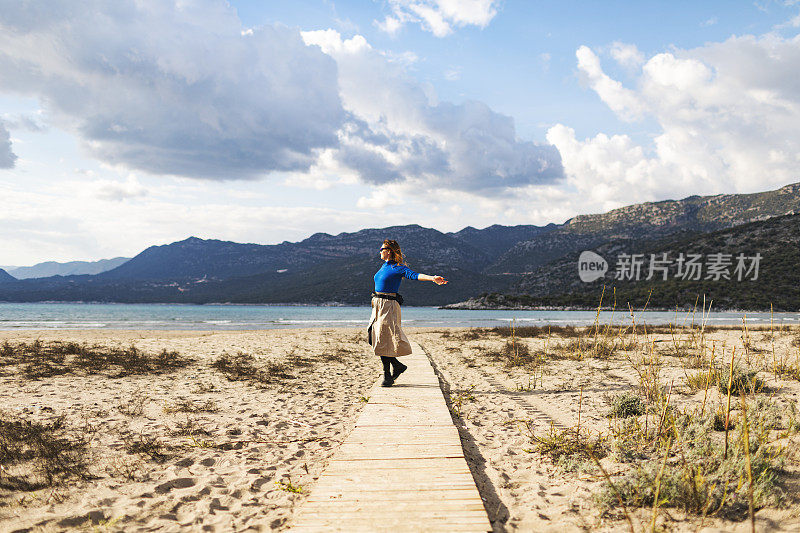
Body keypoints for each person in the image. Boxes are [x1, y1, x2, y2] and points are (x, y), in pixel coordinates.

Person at [368, 239, 448, 387]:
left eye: (382, 249)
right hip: (377, 305)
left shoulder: (398, 267)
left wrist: (432, 278)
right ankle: (397, 366)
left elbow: (414, 275)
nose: (380, 251)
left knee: (383, 338)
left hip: (389, 305)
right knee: (372, 337)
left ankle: (387, 376)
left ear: (389, 251)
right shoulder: (383, 266)